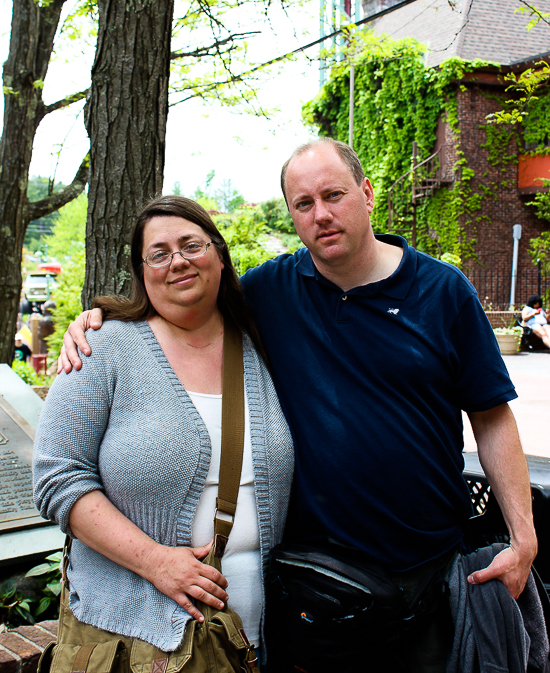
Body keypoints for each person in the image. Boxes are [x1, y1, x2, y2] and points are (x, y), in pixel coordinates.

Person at [59, 140, 538, 671]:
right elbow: (182, 298)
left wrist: (523, 538)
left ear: (367, 193)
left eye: (333, 195)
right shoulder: (271, 291)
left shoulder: (444, 292)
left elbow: (492, 416)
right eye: (303, 204)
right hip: (315, 586)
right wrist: (94, 321)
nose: (322, 215)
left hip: (428, 571)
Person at [34, 196, 294, 659]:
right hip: (137, 642)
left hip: (256, 639)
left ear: (218, 253)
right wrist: (156, 563)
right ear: (142, 271)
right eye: (158, 253)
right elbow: (57, 477)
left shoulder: (260, 342)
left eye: (191, 245)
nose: (177, 261)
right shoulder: (103, 349)